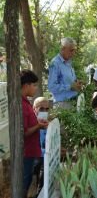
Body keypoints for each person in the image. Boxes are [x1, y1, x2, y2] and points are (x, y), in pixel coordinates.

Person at [21, 70, 48, 198]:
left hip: (32, 151)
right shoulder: (22, 105)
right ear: (26, 85)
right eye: (34, 85)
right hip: (27, 152)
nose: (36, 88)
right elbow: (24, 133)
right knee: (24, 184)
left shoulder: (26, 102)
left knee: (28, 182)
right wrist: (38, 125)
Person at [48, 37, 82, 109]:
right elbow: (51, 87)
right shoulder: (55, 63)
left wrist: (77, 83)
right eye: (71, 50)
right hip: (62, 104)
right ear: (62, 49)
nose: (73, 53)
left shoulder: (68, 62)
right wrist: (70, 87)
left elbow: (69, 81)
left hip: (73, 101)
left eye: (74, 51)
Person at [32, 97, 50, 193]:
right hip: (32, 157)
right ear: (34, 108)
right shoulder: (31, 122)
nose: (44, 111)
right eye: (41, 108)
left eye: (47, 109)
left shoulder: (44, 120)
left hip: (42, 156)